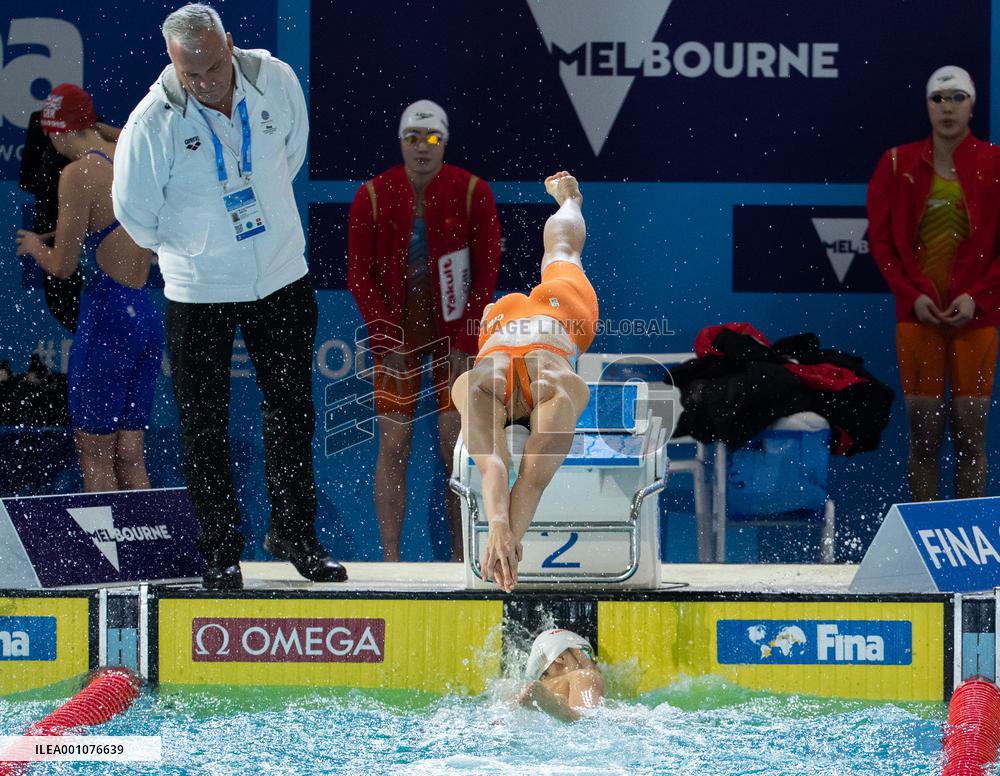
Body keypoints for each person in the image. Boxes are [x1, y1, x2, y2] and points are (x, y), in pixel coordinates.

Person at [111, 3, 346, 589]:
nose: (206, 83)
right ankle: (219, 549)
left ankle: (295, 534)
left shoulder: (275, 80)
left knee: (292, 409)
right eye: (191, 74)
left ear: (229, 45)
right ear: (173, 64)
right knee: (203, 422)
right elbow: (135, 217)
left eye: (213, 68)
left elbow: (290, 153)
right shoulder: (152, 122)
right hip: (198, 292)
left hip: (280, 276)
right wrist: (198, 247)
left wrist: (256, 227)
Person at [348, 99, 501, 562]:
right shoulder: (373, 195)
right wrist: (384, 337)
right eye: (413, 138)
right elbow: (358, 275)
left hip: (455, 341)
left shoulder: (473, 192)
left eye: (432, 138)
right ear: (400, 142)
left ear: (445, 142)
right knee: (394, 444)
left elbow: (487, 272)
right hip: (398, 339)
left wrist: (465, 342)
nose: (422, 148)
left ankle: (461, 555)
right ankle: (390, 558)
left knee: (454, 449)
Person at [451, 171, 597, 592]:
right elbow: (516, 472)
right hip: (553, 317)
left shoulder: (544, 390)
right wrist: (502, 530)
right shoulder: (552, 390)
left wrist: (503, 535)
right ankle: (568, 201)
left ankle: (570, 201)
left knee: (564, 254)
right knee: (563, 253)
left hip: (511, 320)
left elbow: (513, 470)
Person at [15, 84, 162, 493]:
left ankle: (108, 558)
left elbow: (62, 266)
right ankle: (143, 557)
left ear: (60, 132)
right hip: (144, 316)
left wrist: (33, 248)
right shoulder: (135, 156)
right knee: (131, 453)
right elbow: (124, 132)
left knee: (94, 453)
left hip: (107, 318)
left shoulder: (77, 174)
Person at [867, 66, 1000, 502]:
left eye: (957, 97)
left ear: (973, 104)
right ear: (927, 104)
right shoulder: (896, 163)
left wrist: (976, 297)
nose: (948, 107)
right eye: (938, 98)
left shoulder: (995, 164)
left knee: (970, 438)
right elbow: (882, 242)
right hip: (918, 317)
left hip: (977, 319)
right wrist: (913, 297)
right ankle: (926, 548)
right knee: (923, 440)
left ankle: (967, 549)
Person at [518, 628, 604, 721]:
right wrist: (553, 707)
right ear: (561, 658)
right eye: (589, 655)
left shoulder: (525, 692)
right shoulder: (583, 676)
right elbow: (590, 724)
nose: (596, 664)